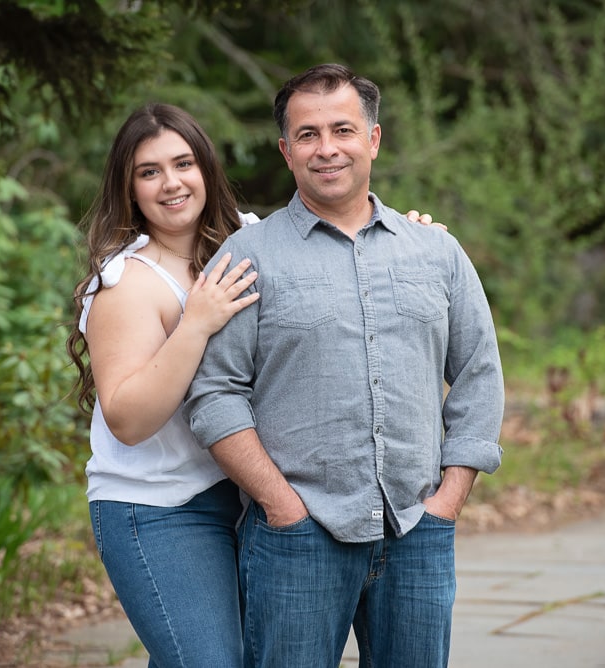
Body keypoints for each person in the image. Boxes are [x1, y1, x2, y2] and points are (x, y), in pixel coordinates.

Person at [66, 102, 438, 667]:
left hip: (244, 495)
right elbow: (129, 420)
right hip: (160, 506)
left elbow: (340, 254)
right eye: (149, 171)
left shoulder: (248, 238)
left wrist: (404, 237)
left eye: (183, 164)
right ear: (129, 188)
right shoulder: (126, 283)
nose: (171, 183)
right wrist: (195, 321)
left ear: (206, 169)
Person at [184, 64, 505, 668]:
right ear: (285, 150)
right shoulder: (247, 257)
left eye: (343, 130)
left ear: (374, 139)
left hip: (417, 530)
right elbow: (214, 394)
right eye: (307, 135)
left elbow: (480, 373)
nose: (326, 148)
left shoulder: (436, 251)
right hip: (297, 539)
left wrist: (449, 499)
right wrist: (281, 506)